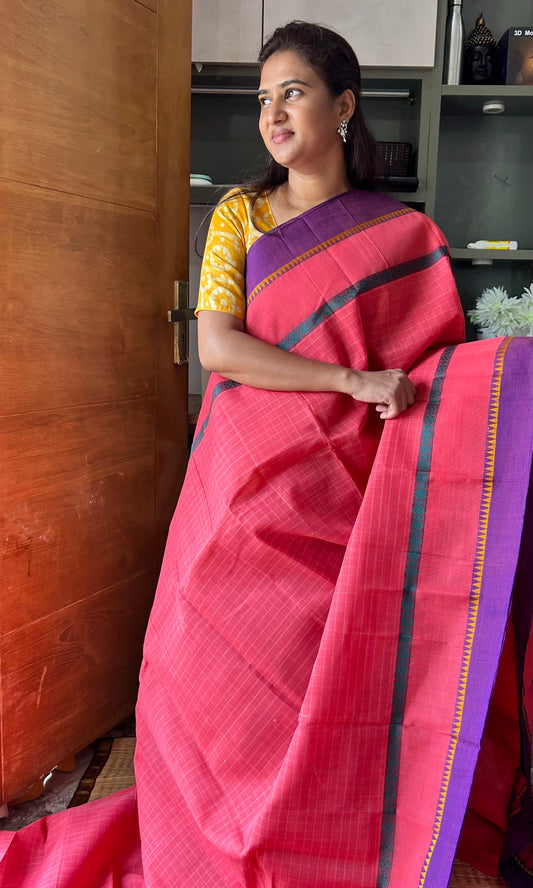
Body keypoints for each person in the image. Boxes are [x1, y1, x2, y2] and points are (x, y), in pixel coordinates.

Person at [0, 20, 532, 888]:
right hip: (242, 487)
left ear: (344, 104)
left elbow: (430, 374)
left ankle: (318, 838)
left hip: (349, 499)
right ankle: (220, 843)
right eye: (261, 99)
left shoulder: (404, 238)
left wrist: (504, 373)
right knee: (208, 667)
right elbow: (219, 350)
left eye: (292, 92)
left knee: (327, 676)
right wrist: (353, 382)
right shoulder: (239, 217)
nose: (271, 114)